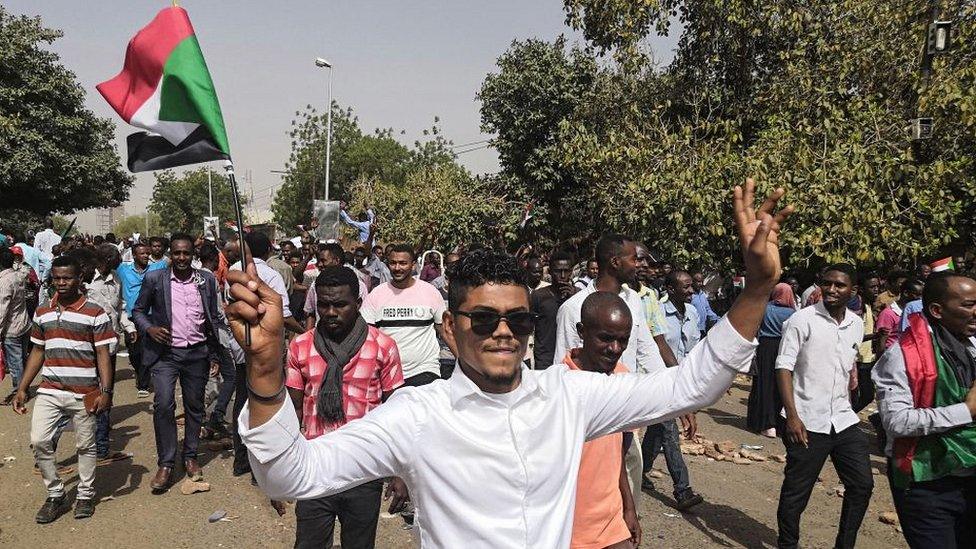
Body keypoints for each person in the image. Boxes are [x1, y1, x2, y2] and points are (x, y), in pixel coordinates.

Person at [228, 179, 791, 547]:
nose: (503, 333)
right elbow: (289, 474)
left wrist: (758, 287)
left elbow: (692, 385)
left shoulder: (569, 396)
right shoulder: (416, 415)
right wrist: (264, 371)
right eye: (483, 319)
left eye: (518, 321)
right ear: (450, 328)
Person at [286, 266, 406, 548]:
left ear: (359, 304)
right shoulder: (300, 347)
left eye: (340, 304)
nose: (330, 312)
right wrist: (280, 473)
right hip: (315, 467)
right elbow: (291, 413)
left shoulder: (383, 347)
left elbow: (398, 414)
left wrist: (401, 472)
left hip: (364, 469)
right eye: (324, 305)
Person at [556, 235, 667, 507]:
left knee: (628, 487)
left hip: (627, 413)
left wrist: (671, 395)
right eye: (635, 258)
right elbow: (562, 365)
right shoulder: (573, 308)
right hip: (587, 419)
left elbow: (647, 350)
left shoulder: (634, 302)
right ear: (615, 262)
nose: (640, 264)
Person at [873, 272, 976, 548]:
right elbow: (896, 421)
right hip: (926, 483)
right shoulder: (902, 355)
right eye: (968, 305)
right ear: (937, 310)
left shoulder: (972, 347)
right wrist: (966, 411)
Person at [775, 264, 873, 549]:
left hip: (843, 419)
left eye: (839, 285)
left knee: (862, 485)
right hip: (806, 420)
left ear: (852, 290)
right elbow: (783, 367)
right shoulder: (801, 320)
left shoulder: (855, 324)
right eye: (826, 283)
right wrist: (792, 416)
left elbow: (847, 368)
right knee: (797, 494)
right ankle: (788, 544)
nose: (831, 290)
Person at [12, 255, 115, 522]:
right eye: (56, 278)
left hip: (85, 392)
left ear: (79, 279)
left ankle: (84, 494)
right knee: (40, 440)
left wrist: (106, 391)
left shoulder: (95, 312)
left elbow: (103, 354)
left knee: (85, 445)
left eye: (67, 278)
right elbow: (37, 350)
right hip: (50, 389)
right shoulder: (43, 311)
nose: (61, 283)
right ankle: (56, 494)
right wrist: (23, 387)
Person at [132, 233, 226, 491]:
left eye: (186, 253)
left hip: (197, 353)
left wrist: (215, 354)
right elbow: (138, 311)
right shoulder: (155, 278)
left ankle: (191, 455)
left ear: (192, 255)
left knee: (195, 406)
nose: (182, 258)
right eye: (176, 253)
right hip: (166, 354)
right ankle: (166, 463)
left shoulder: (205, 280)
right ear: (169, 255)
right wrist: (149, 329)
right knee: (163, 404)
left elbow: (213, 319)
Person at [566, 292, 641, 549]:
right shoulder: (558, 386)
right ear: (582, 331)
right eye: (606, 338)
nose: (615, 349)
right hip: (570, 529)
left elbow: (617, 451)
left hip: (611, 525)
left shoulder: (622, 379)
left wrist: (628, 508)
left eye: (623, 340)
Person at [642, 270, 704, 510]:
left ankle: (640, 471)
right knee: (670, 432)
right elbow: (655, 347)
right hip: (662, 380)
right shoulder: (658, 312)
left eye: (691, 286)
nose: (691, 291)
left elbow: (694, 350)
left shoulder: (693, 313)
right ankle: (683, 490)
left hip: (684, 380)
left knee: (658, 429)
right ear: (670, 289)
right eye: (686, 287)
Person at [360, 244, 445, 387]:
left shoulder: (430, 292)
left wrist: (465, 364)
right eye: (393, 263)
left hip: (424, 371)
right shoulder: (376, 294)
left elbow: (445, 331)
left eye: (403, 263)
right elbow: (365, 335)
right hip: (386, 374)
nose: (397, 268)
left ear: (413, 265)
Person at [85, 244, 136, 460]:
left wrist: (129, 327)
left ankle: (102, 447)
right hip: (86, 348)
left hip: (110, 346)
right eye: (111, 261)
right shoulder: (85, 279)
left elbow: (121, 307)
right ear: (102, 260)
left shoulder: (116, 279)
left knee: (106, 393)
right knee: (84, 395)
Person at [230, 232, 305, 336]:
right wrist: (304, 333)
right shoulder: (273, 275)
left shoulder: (233, 270)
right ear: (269, 250)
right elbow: (284, 315)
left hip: (236, 337)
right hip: (266, 336)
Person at [747, 282, 795, 437]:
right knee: (780, 386)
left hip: (765, 348)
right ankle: (780, 424)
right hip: (784, 349)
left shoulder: (765, 308)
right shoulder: (793, 313)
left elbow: (755, 327)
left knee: (763, 385)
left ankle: (766, 424)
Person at [530, 251, 577, 369]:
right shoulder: (538, 296)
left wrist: (573, 300)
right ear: (550, 272)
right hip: (545, 360)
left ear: (571, 272)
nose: (562, 276)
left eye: (566, 271)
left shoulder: (578, 296)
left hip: (570, 359)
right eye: (557, 271)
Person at [117, 242, 152, 397]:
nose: (145, 256)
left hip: (149, 315)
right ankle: (139, 372)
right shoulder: (123, 270)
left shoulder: (155, 269)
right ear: (134, 255)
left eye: (147, 253)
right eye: (142, 253)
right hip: (129, 317)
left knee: (147, 349)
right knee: (134, 351)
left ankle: (144, 383)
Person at [0, 248, 31, 403]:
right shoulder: (18, 275)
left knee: (15, 364)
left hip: (11, 328)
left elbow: (2, 311)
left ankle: (19, 393)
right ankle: (24, 389)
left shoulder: (4, 281)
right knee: (22, 360)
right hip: (24, 324)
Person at [876, 278, 924, 350]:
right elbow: (881, 341)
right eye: (917, 295)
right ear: (906, 293)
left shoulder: (918, 312)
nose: (920, 299)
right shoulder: (888, 314)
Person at [690, 270, 720, 336]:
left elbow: (707, 309)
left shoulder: (702, 294)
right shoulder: (689, 296)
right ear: (692, 282)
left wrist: (715, 317)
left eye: (701, 281)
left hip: (703, 328)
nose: (700, 283)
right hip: (694, 329)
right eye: (698, 281)